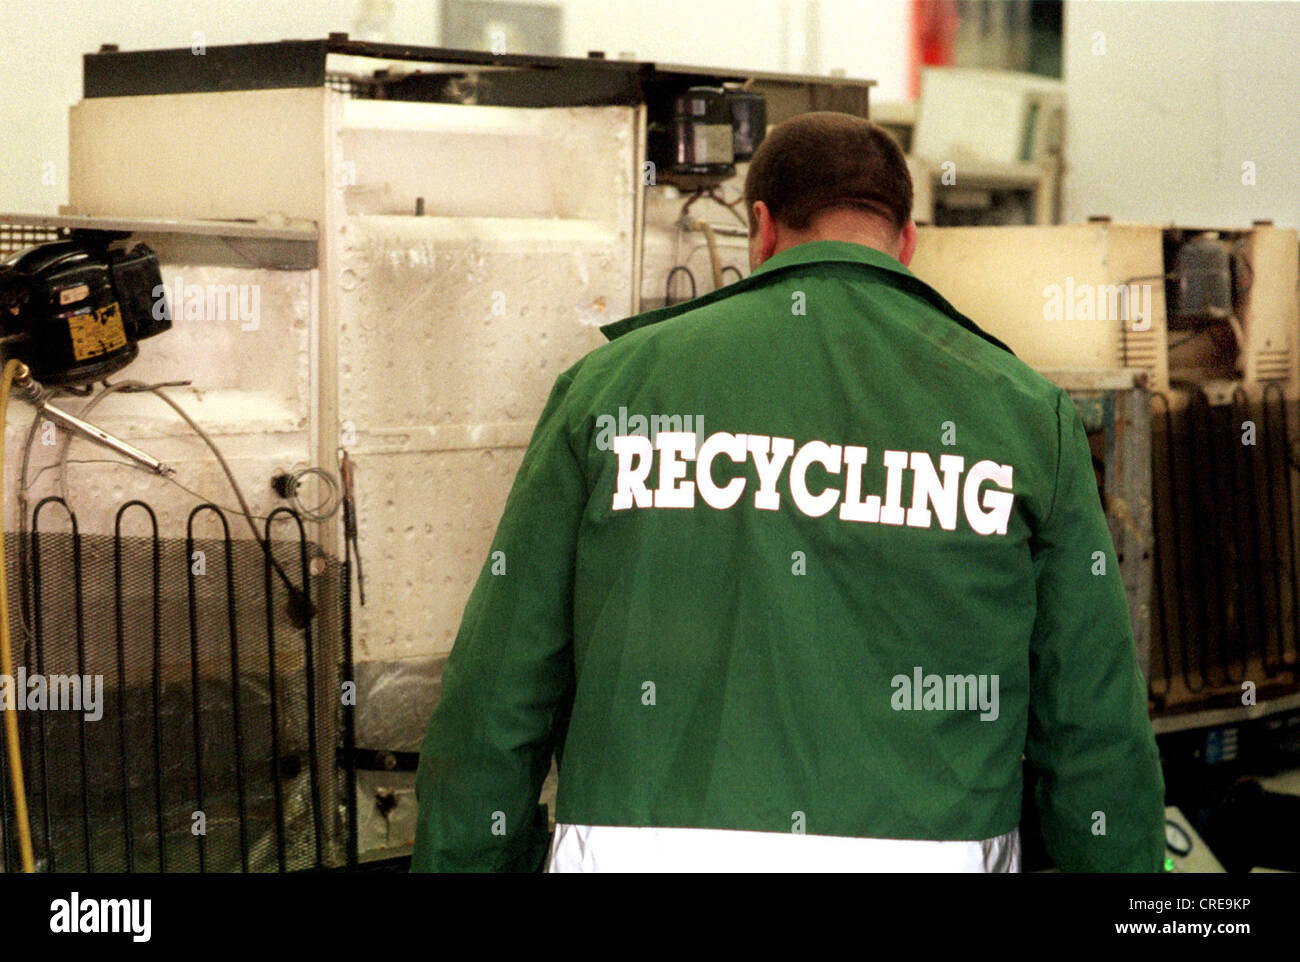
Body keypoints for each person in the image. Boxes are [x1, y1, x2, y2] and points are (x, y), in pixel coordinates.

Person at [411, 111, 1165, 873]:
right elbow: (1090, 721)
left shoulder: (610, 390)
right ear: (907, 242)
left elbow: (496, 695)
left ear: (761, 228)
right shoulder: (1024, 415)